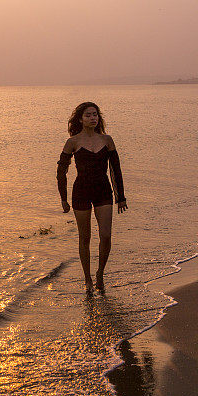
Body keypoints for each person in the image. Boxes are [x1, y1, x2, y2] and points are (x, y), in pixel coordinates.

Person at [56, 102, 127, 292]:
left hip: (103, 191)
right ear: (80, 119)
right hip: (81, 193)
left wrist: (121, 196)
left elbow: (115, 170)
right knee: (84, 237)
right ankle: (87, 279)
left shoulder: (107, 140)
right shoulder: (73, 142)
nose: (92, 118)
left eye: (95, 114)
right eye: (88, 115)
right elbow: (61, 171)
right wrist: (63, 198)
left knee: (105, 236)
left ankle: (100, 274)